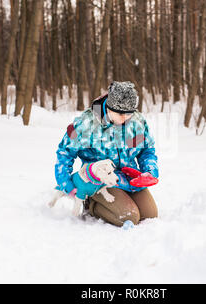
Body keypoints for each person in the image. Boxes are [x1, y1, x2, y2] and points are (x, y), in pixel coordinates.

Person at [54, 81, 159, 227]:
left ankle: (119, 200)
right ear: (109, 107)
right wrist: (67, 183)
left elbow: (146, 150)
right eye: (120, 113)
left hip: (128, 178)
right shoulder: (85, 124)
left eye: (129, 113)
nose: (125, 118)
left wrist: (149, 171)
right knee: (130, 217)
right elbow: (65, 152)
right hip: (99, 182)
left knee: (150, 215)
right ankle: (91, 204)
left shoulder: (137, 122)